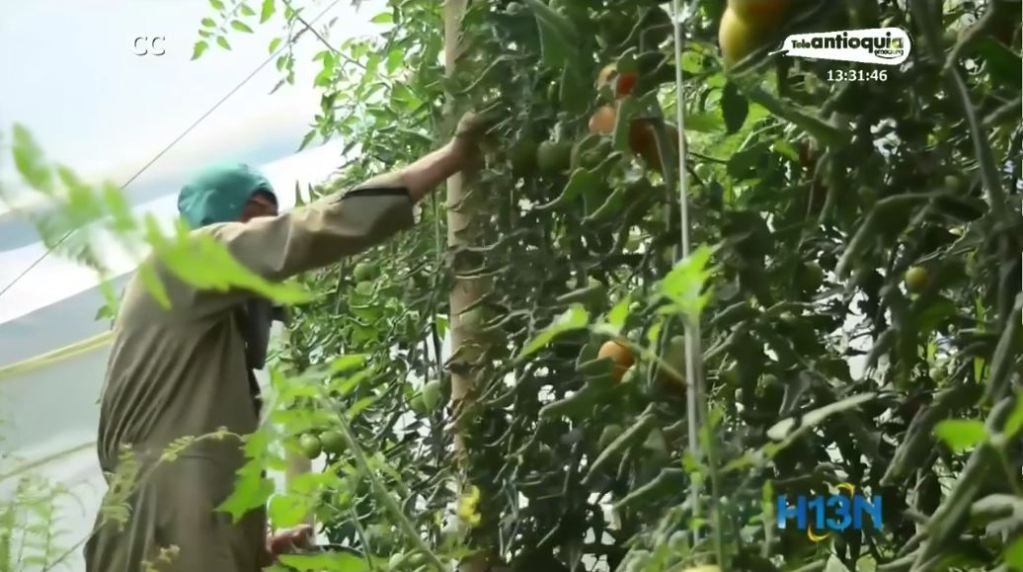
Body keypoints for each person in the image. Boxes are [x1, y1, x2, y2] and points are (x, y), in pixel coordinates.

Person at [83, 112, 491, 571]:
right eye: (256, 219)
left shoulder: (206, 331)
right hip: (164, 519)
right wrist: (449, 160)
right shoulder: (186, 258)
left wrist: (256, 549)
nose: (263, 236)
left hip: (170, 520)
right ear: (219, 216)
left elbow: (203, 451)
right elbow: (309, 230)